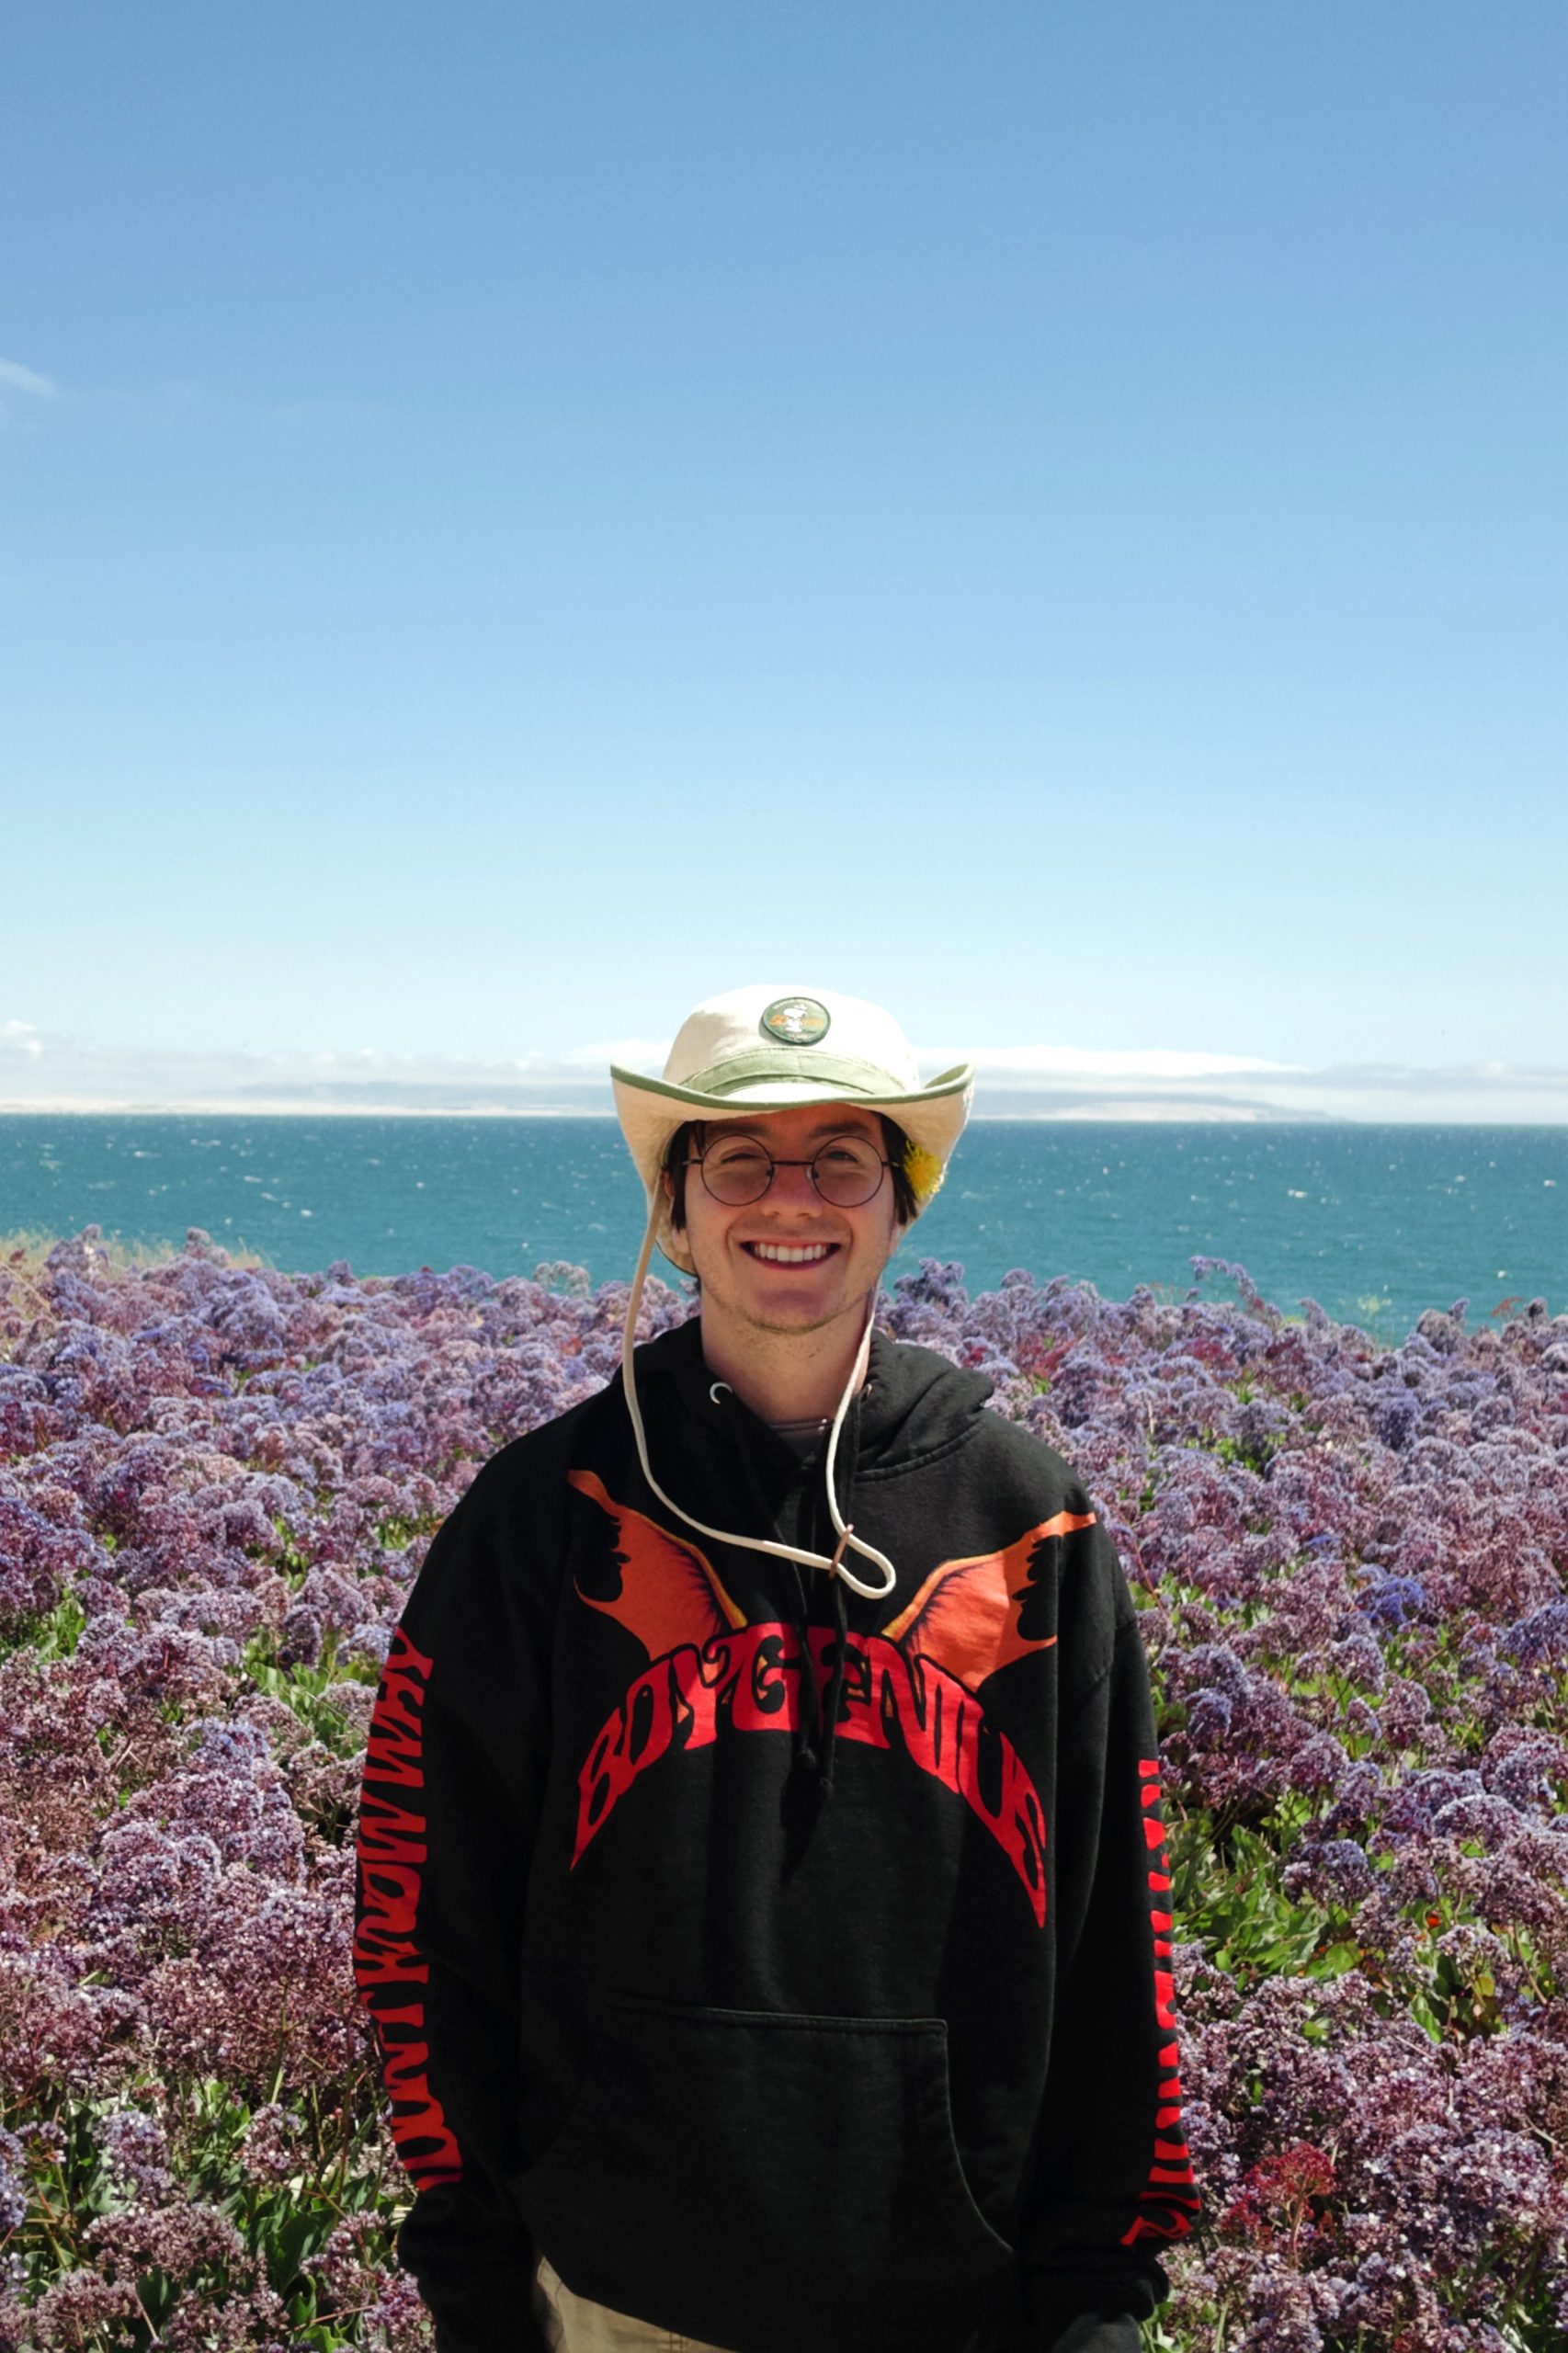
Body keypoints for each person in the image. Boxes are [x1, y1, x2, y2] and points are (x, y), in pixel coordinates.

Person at [352, 983, 1200, 2353]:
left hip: (955, 2309)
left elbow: (1118, 1935)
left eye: (839, 1160)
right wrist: (472, 2272)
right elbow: (421, 1904)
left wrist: (1092, 2295)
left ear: (899, 1200)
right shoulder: (542, 1511)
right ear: (672, 1208)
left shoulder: (1026, 1512)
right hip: (614, 2303)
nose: (787, 1198)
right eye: (736, 1158)